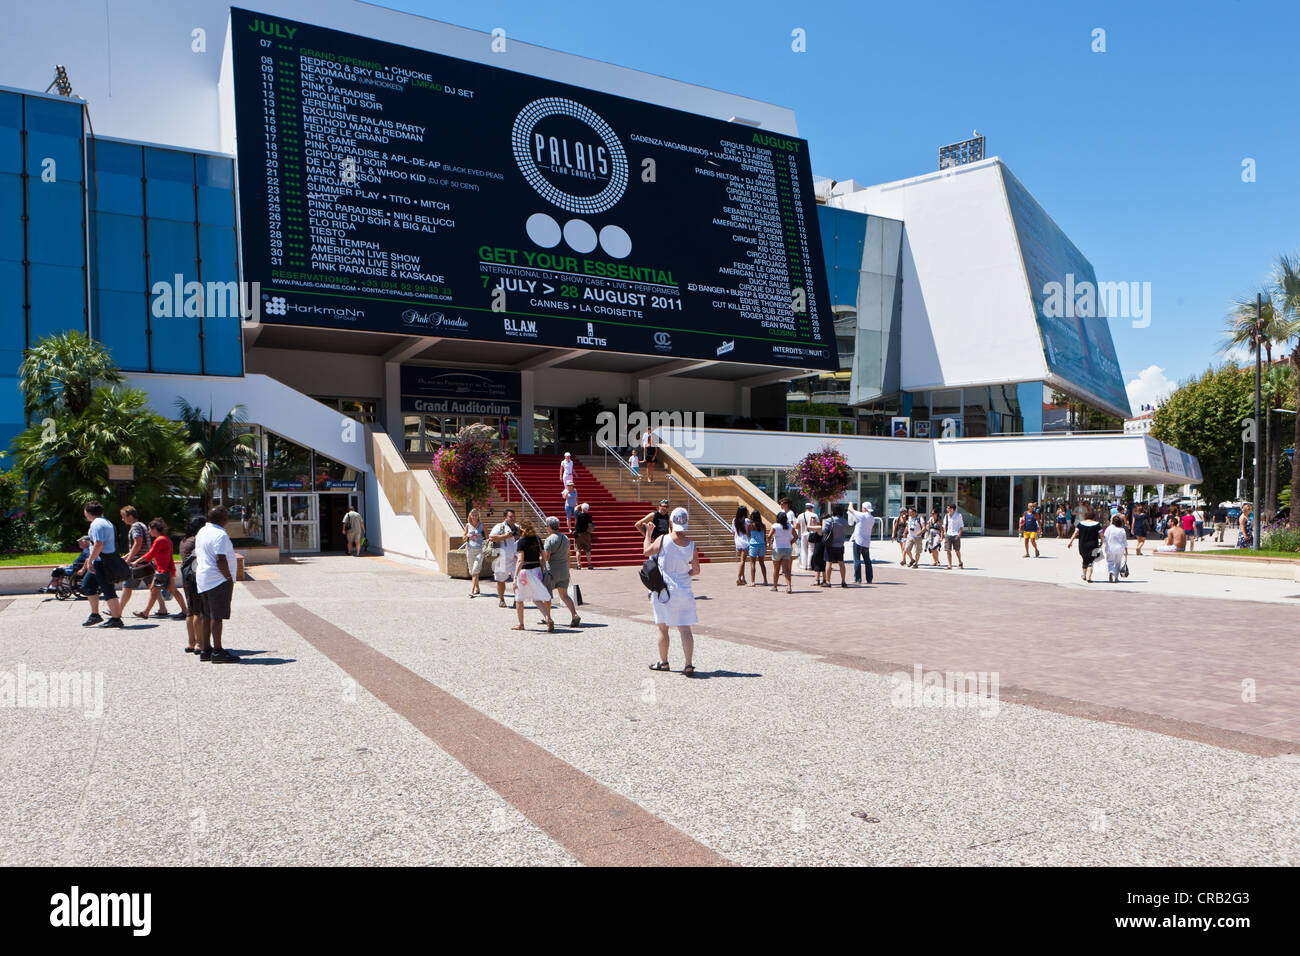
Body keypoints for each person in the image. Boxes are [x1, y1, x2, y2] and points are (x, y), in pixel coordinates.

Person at [645, 506, 700, 677]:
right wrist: (686, 573)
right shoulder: (691, 545)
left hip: (663, 591)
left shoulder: (663, 539)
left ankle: (664, 662)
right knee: (685, 629)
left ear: (671, 522)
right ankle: (689, 664)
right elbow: (696, 570)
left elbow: (646, 551)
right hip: (684, 590)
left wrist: (648, 533)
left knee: (663, 628)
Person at [193, 506, 239, 663]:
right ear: (223, 519)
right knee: (217, 616)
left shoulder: (202, 531)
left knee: (206, 615)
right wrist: (228, 576)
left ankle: (206, 650)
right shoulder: (220, 534)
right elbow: (221, 558)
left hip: (203, 578)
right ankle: (218, 651)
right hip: (218, 580)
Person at [130, 518, 186, 620]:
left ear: (155, 529)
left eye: (150, 529)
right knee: (171, 591)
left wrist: (136, 562)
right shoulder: (166, 539)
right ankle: (185, 611)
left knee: (155, 590)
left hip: (163, 570)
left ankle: (145, 612)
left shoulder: (159, 540)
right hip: (167, 569)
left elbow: (149, 555)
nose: (148, 531)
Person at [81, 501, 124, 628]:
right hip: (102, 561)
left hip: (101, 562)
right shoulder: (107, 522)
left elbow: (98, 544)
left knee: (108, 590)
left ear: (88, 512)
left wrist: (90, 560)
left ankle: (116, 619)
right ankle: (95, 615)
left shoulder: (96, 524)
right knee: (88, 586)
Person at [511, 519, 554, 632]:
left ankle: (521, 624)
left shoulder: (521, 542)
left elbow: (520, 560)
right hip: (537, 570)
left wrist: (515, 577)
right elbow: (544, 556)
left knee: (519, 598)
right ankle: (548, 618)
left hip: (525, 572)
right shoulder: (537, 539)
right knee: (536, 597)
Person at [542, 516, 580, 627]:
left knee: (547, 595)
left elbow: (547, 557)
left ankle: (547, 617)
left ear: (549, 526)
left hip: (552, 570)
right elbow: (568, 555)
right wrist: (568, 568)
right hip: (563, 569)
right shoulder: (565, 538)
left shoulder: (549, 539)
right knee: (564, 595)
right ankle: (574, 615)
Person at [116, 505, 153, 617]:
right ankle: (162, 608)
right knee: (153, 586)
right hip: (145, 560)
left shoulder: (135, 526)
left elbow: (138, 543)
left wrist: (129, 559)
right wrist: (126, 556)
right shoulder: (141, 525)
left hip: (137, 563)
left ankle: (117, 611)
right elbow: (139, 545)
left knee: (127, 586)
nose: (123, 519)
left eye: (124, 517)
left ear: (130, 516)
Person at [178, 516, 206, 654]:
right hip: (196, 578)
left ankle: (191, 642)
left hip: (186, 579)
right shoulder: (196, 540)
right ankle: (200, 644)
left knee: (190, 611)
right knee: (198, 612)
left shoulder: (184, 541)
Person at [489, 509, 520, 608]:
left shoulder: (518, 527)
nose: (513, 518)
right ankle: (501, 599)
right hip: (502, 557)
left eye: (514, 516)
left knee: (518, 579)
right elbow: (491, 538)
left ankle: (517, 599)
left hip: (516, 557)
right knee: (501, 579)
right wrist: (505, 536)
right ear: (505, 517)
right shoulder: (500, 527)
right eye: (511, 516)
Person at [1066, 507, 1103, 583]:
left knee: (1084, 560)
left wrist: (1070, 542)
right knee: (1091, 561)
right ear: (1093, 517)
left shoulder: (1081, 524)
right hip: (1094, 545)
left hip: (1083, 545)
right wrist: (1102, 543)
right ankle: (1089, 577)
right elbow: (1102, 536)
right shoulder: (1097, 525)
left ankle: (1084, 575)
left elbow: (1075, 533)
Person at [846, 501, 875, 584]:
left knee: (857, 560)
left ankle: (858, 579)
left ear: (864, 508)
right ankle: (869, 579)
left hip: (858, 540)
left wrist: (850, 503)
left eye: (862, 507)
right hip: (866, 541)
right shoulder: (871, 518)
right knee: (867, 561)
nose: (861, 509)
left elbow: (850, 509)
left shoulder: (862, 515)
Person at [821, 504, 849, 587]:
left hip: (830, 545)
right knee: (841, 563)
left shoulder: (829, 520)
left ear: (833, 511)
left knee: (828, 563)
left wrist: (823, 522)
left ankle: (828, 581)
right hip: (840, 545)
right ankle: (843, 581)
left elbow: (824, 531)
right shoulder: (844, 521)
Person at [768, 511, 795, 593]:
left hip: (777, 549)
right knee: (786, 569)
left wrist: (770, 544)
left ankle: (775, 587)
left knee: (776, 569)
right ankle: (789, 586)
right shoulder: (790, 526)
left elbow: (769, 536)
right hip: (787, 548)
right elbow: (796, 536)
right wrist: (790, 542)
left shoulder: (775, 526)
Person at [745, 508, 769, 586]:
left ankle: (753, 582)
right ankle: (765, 580)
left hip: (753, 545)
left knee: (752, 563)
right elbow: (764, 537)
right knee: (762, 563)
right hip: (762, 544)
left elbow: (748, 535)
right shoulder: (763, 525)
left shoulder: (750, 525)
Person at [1102, 514, 1129, 582]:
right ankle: (1116, 577)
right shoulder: (1122, 530)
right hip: (1120, 548)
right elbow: (1124, 541)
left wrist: (1104, 544)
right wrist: (1126, 550)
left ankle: (1111, 571)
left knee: (1110, 562)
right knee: (1118, 563)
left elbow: (1105, 538)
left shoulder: (1109, 528)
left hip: (1110, 548)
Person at [465, 508, 485, 597]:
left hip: (479, 550)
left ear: (478, 516)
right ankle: (478, 588)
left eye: (476, 515)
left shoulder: (482, 525)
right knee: (472, 571)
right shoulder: (467, 525)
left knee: (475, 570)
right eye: (473, 515)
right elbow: (463, 537)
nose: (474, 516)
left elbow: (487, 537)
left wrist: (482, 537)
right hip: (470, 550)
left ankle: (472, 590)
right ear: (470, 516)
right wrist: (467, 536)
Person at [794, 502, 817, 569]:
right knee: (811, 550)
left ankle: (804, 565)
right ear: (811, 508)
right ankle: (809, 565)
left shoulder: (800, 515)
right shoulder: (814, 515)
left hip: (803, 534)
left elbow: (797, 526)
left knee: (803, 550)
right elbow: (817, 525)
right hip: (812, 534)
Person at [942, 502, 965, 570]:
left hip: (956, 535)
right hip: (948, 535)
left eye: (948, 508)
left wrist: (959, 535)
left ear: (952, 509)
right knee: (948, 550)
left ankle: (960, 562)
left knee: (957, 550)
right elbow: (944, 525)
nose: (947, 509)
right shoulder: (946, 516)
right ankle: (950, 565)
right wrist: (945, 533)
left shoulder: (958, 515)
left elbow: (961, 526)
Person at [573, 503, 594, 570]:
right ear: (588, 509)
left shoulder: (578, 514)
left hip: (578, 534)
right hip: (587, 534)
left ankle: (579, 564)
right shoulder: (589, 516)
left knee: (578, 550)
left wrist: (580, 505)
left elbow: (575, 508)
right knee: (588, 550)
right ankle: (589, 564)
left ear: (582, 508)